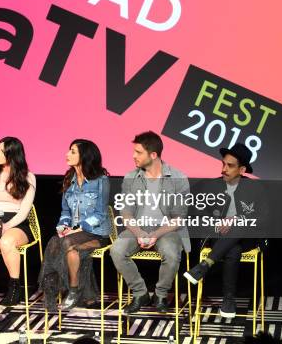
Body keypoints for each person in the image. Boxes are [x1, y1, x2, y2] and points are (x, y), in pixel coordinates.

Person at [110, 131, 190, 314]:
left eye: (138, 152)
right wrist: (139, 233)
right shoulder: (131, 177)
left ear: (153, 155)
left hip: (167, 230)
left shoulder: (178, 178)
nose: (133, 156)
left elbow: (179, 218)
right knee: (117, 249)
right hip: (137, 228)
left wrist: (154, 235)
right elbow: (126, 213)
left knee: (171, 252)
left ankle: (160, 294)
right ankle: (140, 293)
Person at [184, 143, 265, 318]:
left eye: (230, 166)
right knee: (232, 250)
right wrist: (217, 222)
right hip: (218, 236)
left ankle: (205, 265)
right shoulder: (211, 187)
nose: (224, 169)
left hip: (246, 238)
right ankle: (228, 299)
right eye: (223, 164)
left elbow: (263, 218)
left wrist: (236, 220)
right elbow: (195, 212)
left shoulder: (255, 188)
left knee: (239, 229)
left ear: (242, 169)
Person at [38, 139, 111, 311]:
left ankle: (63, 288)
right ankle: (77, 291)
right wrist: (63, 226)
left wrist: (78, 229)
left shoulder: (101, 180)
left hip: (97, 233)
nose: (67, 154)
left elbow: (101, 214)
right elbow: (65, 212)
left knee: (66, 243)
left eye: (73, 151)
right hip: (74, 232)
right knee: (58, 242)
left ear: (85, 156)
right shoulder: (69, 179)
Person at [0, 137, 36, 306]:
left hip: (17, 222)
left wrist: (8, 226)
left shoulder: (28, 177)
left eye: (1, 151)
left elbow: (25, 211)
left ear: (13, 154)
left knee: (6, 242)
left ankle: (14, 289)